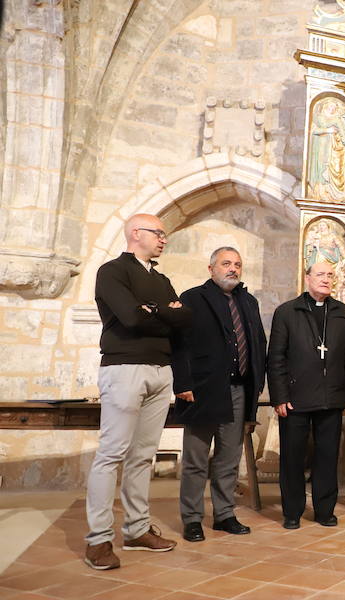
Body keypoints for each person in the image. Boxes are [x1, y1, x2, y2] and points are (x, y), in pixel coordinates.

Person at [85, 214, 192, 570]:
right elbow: (130, 318)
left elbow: (182, 320)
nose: (164, 239)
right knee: (111, 454)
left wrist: (154, 310)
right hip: (124, 368)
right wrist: (164, 312)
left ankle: (136, 529)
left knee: (143, 455)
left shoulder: (160, 279)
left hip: (162, 370)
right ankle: (99, 539)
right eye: (158, 233)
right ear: (136, 234)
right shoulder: (112, 271)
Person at [172, 247, 267, 542]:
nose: (233, 269)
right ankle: (192, 518)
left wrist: (257, 383)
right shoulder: (192, 298)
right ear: (211, 268)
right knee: (196, 459)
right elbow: (179, 345)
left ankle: (224, 514)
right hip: (201, 390)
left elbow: (257, 344)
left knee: (229, 458)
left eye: (238, 264)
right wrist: (182, 384)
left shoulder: (248, 302)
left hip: (239, 389)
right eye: (226, 264)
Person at [268, 262, 345, 529]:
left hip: (331, 396)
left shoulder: (341, 312)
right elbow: (276, 358)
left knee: (328, 456)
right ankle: (292, 512)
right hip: (295, 397)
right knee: (293, 457)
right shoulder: (287, 311)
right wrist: (279, 396)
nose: (326, 279)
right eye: (320, 274)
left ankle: (324, 510)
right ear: (307, 278)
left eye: (330, 275)